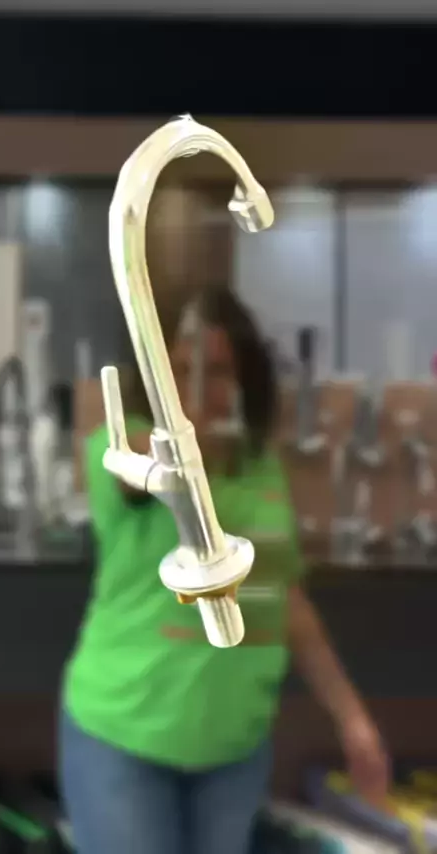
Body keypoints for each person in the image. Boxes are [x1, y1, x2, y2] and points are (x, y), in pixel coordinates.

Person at [59, 288, 389, 854]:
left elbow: (281, 598)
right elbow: (142, 467)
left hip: (234, 751)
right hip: (124, 738)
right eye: (178, 370)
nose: (194, 389)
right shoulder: (118, 449)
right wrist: (183, 446)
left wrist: (351, 716)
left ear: (242, 381)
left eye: (215, 371)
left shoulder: (259, 469)